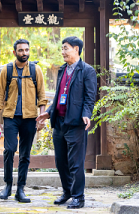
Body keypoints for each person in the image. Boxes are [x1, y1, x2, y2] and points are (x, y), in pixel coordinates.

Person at [36, 36, 98, 210]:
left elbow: (90, 97)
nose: (63, 52)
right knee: (60, 161)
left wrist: (87, 114)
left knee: (76, 162)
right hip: (59, 122)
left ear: (76, 49)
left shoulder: (87, 71)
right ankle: (67, 192)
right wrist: (49, 112)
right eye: (62, 48)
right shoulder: (63, 69)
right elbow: (58, 96)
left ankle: (78, 197)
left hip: (76, 123)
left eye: (66, 48)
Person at [0, 39, 46, 203]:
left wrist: (41, 118)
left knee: (25, 154)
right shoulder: (7, 70)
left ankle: (20, 189)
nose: (24, 53)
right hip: (10, 117)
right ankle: (8, 185)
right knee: (9, 150)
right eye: (21, 50)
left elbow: (42, 96)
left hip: (30, 118)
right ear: (14, 52)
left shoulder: (36, 70)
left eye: (27, 50)